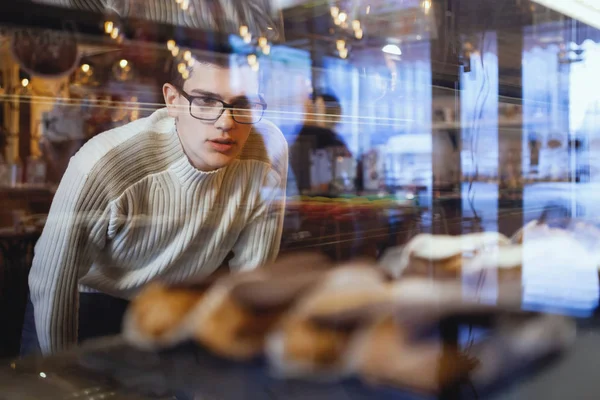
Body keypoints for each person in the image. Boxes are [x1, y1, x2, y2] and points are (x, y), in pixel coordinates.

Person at [24, 49, 288, 355]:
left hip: (176, 304)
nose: (226, 123)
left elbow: (250, 279)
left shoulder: (267, 150)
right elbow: (54, 279)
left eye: (242, 104)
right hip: (84, 302)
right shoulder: (106, 164)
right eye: (205, 102)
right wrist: (61, 374)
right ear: (172, 101)